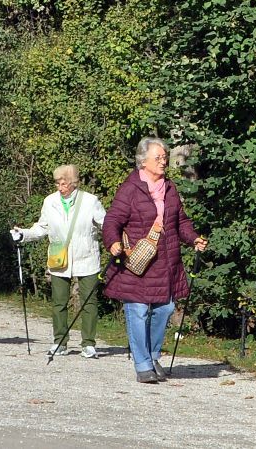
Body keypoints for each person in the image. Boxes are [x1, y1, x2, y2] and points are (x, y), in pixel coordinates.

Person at [103, 137, 208, 383]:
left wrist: (193, 239)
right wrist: (114, 242)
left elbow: (180, 221)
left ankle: (152, 355)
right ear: (143, 161)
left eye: (165, 157)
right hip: (137, 264)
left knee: (166, 308)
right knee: (138, 310)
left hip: (166, 262)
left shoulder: (170, 188)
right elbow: (112, 220)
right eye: (158, 158)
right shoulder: (130, 189)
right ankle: (142, 365)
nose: (163, 162)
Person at [11, 165, 107, 358]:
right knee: (59, 302)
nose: (60, 187)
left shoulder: (90, 201)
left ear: (73, 183)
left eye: (64, 183)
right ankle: (60, 342)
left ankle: (88, 344)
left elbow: (106, 224)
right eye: (58, 183)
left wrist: (117, 240)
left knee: (89, 302)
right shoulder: (50, 201)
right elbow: (41, 228)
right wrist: (23, 234)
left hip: (86, 257)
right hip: (58, 257)